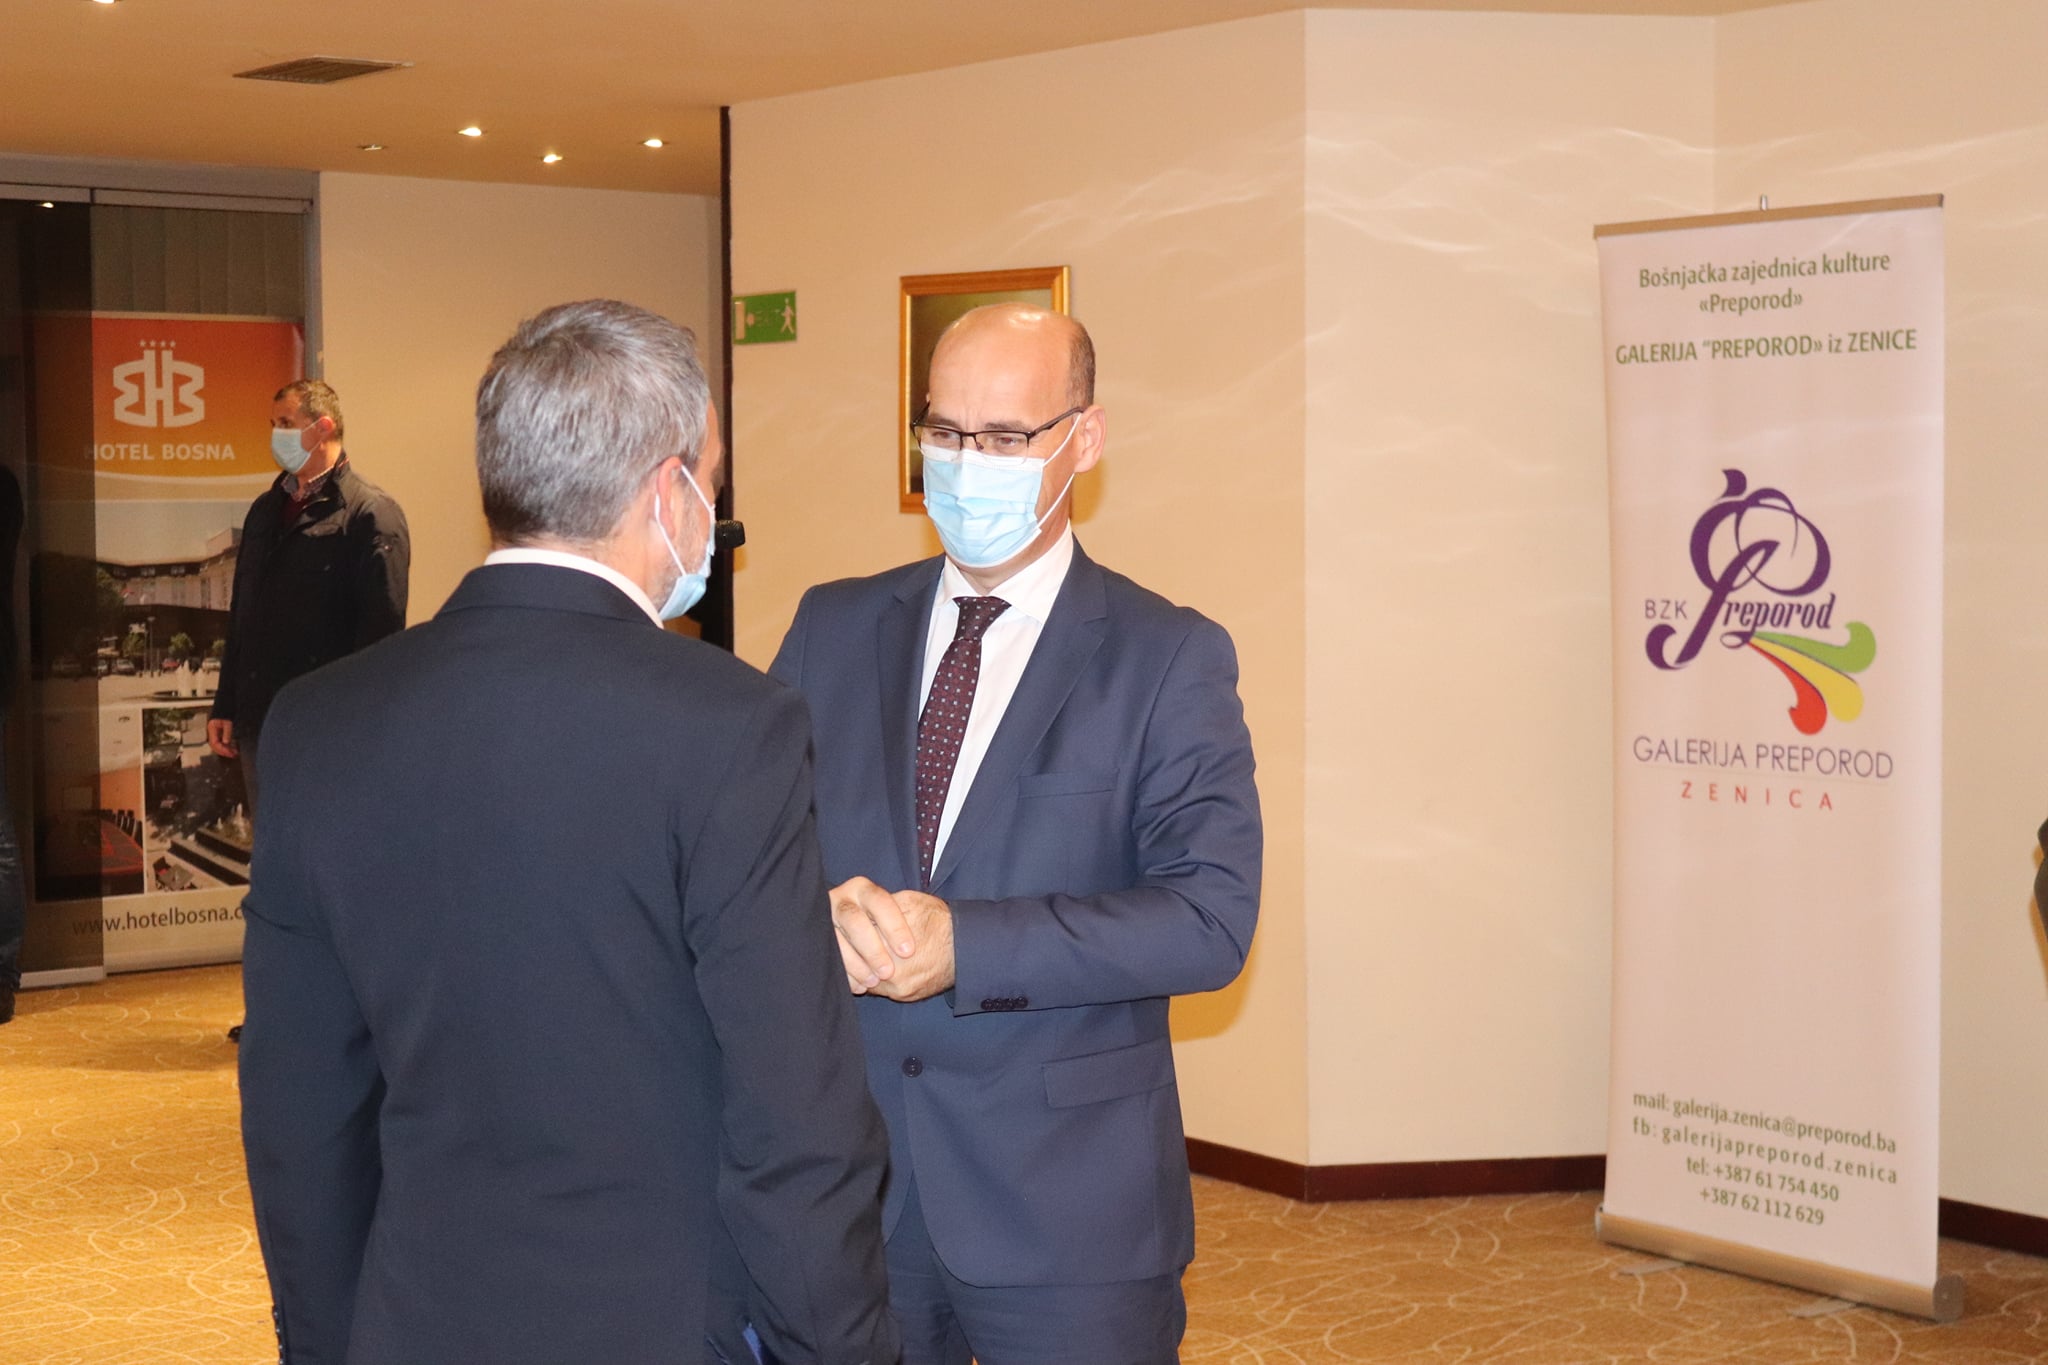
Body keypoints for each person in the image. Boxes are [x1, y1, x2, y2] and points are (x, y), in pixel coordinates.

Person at [238, 299, 898, 1365]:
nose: (713, 515)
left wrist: (325, 1346)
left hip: (416, 1314)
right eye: (714, 483)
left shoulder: (320, 722)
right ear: (667, 491)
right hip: (662, 1321)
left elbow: (298, 1108)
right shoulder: (731, 725)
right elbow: (797, 1122)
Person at [770, 303, 1262, 1364]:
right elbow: (749, 860)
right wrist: (812, 911)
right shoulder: (831, 626)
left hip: (1070, 1211)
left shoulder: (1166, 656)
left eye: (1003, 437)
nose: (966, 465)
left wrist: (970, 945)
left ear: (1084, 440)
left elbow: (1208, 919)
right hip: (856, 1194)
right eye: (943, 432)